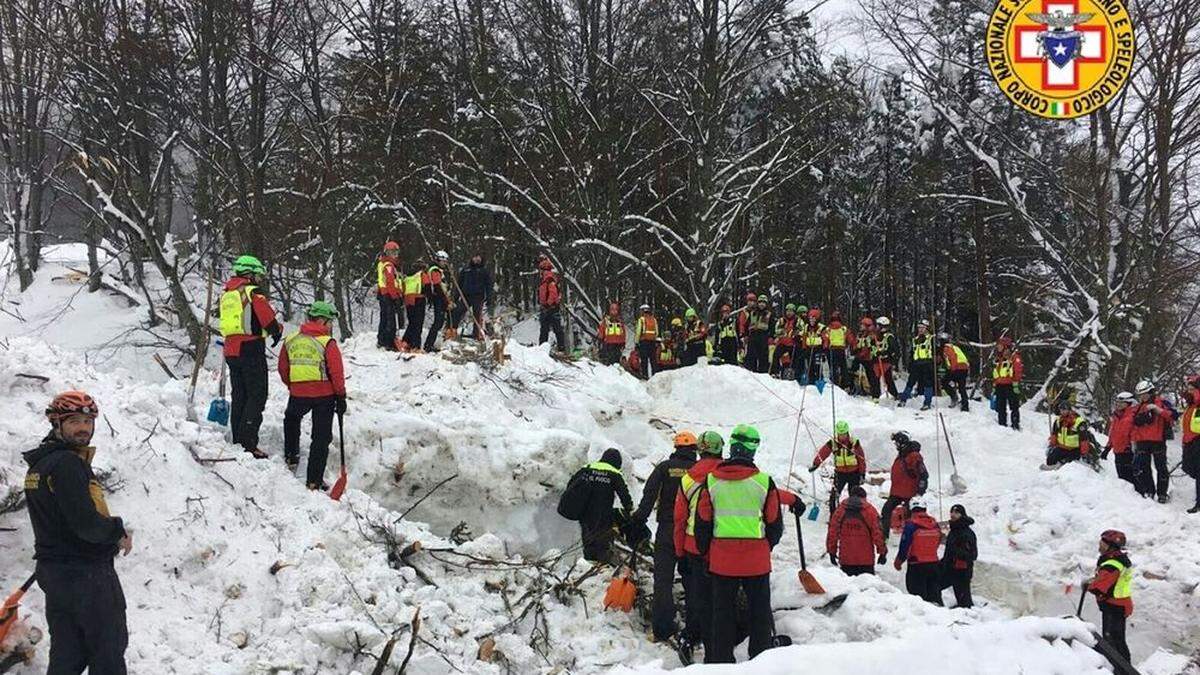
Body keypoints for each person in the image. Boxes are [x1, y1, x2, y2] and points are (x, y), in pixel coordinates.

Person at [24, 391, 132, 674]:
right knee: (107, 651)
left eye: (88, 421)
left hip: (57, 575)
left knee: (68, 655)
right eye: (73, 421)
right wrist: (117, 531)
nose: (83, 428)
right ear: (55, 423)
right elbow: (86, 524)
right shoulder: (67, 464)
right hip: (87, 575)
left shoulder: (40, 466)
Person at [694, 424, 802, 664]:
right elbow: (774, 524)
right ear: (753, 451)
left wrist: (706, 553)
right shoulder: (764, 482)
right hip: (756, 561)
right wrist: (765, 547)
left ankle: (720, 661)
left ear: (731, 448)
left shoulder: (711, 482)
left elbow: (702, 522)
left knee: (722, 614)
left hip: (722, 561)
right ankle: (760, 659)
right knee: (759, 612)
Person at [634, 432, 699, 642]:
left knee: (663, 580)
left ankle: (663, 629)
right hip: (692, 531)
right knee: (693, 580)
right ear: (694, 449)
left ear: (676, 447)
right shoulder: (699, 471)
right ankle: (696, 628)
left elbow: (649, 495)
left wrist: (637, 521)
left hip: (668, 530)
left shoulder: (664, 468)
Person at [278, 301, 348, 490]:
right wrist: (341, 396)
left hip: (298, 393)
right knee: (321, 437)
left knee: (291, 420)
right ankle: (313, 481)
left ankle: (291, 456)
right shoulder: (327, 343)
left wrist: (293, 385)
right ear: (322, 320)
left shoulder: (291, 339)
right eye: (330, 322)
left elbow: (283, 368)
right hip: (324, 396)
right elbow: (336, 372)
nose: (332, 326)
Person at [220, 255, 283, 458]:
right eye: (258, 275)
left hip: (231, 349)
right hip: (250, 348)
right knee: (256, 395)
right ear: (250, 274)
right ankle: (248, 442)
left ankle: (238, 438)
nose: (259, 279)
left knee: (239, 394)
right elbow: (267, 319)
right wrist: (277, 330)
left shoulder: (228, 293)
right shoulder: (251, 292)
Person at [673, 430, 725, 658]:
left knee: (695, 595)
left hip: (694, 546)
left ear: (700, 451)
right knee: (723, 594)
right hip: (724, 546)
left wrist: (679, 552)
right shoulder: (731, 474)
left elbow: (679, 520)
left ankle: (692, 634)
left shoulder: (688, 479)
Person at [557, 448, 634, 563]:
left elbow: (571, 485)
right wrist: (629, 509)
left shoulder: (587, 469)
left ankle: (589, 562)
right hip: (603, 512)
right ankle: (601, 563)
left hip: (585, 511)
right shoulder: (614, 473)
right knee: (603, 539)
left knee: (588, 536)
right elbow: (624, 494)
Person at [1088, 530, 1133, 663]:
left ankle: (1122, 670)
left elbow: (1100, 587)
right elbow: (1106, 580)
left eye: (1102, 543)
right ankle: (1124, 668)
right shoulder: (1116, 559)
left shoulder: (1112, 564)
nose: (1099, 545)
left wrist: (1089, 585)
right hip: (1118, 604)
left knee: (1112, 641)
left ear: (1110, 546)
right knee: (1117, 639)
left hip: (1114, 607)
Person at [809, 420, 867, 516]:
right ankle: (833, 516)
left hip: (854, 473)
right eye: (840, 434)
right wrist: (816, 463)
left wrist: (862, 473)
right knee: (833, 497)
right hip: (840, 474)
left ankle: (854, 516)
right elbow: (823, 452)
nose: (842, 436)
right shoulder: (833, 443)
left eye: (844, 434)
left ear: (847, 432)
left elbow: (861, 458)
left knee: (854, 497)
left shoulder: (854, 442)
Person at [826, 486, 886, 576]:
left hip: (846, 560)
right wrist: (882, 552)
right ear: (863, 497)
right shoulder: (870, 511)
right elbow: (878, 533)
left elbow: (832, 533)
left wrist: (832, 551)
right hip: (866, 561)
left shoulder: (840, 511)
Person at [1131, 380, 1175, 503]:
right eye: (1140, 395)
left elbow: (1173, 415)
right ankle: (1149, 490)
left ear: (1151, 392)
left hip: (1158, 440)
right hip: (1142, 441)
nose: (1142, 397)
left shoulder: (1162, 403)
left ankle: (1162, 493)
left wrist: (1158, 410)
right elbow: (1133, 424)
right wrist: (1134, 440)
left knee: (1161, 467)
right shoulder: (1138, 407)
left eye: (1145, 394)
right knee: (1144, 468)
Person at [893, 498, 942, 605]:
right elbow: (938, 541)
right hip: (934, 564)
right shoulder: (934, 524)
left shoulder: (911, 525)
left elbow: (905, 546)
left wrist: (899, 561)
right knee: (935, 597)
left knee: (919, 601)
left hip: (917, 565)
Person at [879, 432, 927, 541]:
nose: (895, 445)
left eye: (897, 443)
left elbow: (923, 474)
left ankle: (912, 538)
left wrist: (920, 491)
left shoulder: (914, 456)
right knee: (886, 510)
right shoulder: (902, 455)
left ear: (902, 443)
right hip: (897, 492)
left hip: (910, 493)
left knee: (911, 517)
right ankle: (883, 536)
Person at [941, 504, 976, 608]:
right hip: (950, 567)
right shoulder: (954, 530)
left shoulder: (966, 532)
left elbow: (973, 554)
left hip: (962, 570)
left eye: (956, 512)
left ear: (962, 514)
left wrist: (957, 552)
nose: (953, 515)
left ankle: (969, 617)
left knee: (964, 599)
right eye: (952, 512)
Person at [451, 253, 493, 339]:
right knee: (457, 312)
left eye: (479, 258)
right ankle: (452, 331)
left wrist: (489, 298)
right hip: (465, 296)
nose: (477, 259)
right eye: (475, 257)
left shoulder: (484, 271)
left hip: (478, 297)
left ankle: (477, 334)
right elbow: (459, 284)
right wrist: (455, 297)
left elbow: (488, 285)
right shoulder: (466, 270)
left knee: (477, 315)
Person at [1102, 392, 1138, 489]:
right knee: (1122, 480)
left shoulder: (1133, 416)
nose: (1118, 405)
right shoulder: (1116, 416)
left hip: (1129, 452)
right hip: (1118, 452)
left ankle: (1141, 499)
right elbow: (1113, 433)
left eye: (1121, 403)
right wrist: (1107, 448)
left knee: (1133, 480)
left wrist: (1133, 448)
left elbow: (1135, 434)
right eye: (1117, 402)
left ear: (1129, 403)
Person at [1045, 400, 1094, 468]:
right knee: (1050, 460)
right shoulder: (1058, 421)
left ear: (1069, 409)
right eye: (1061, 410)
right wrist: (1052, 445)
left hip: (1074, 449)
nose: (1062, 411)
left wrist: (1084, 453)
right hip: (1062, 447)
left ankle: (1062, 467)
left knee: (1067, 463)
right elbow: (1054, 434)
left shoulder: (1078, 421)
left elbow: (1084, 439)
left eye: (1064, 409)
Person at [422, 251, 454, 352]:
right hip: (438, 298)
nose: (445, 263)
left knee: (439, 322)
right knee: (438, 322)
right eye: (443, 261)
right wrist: (446, 302)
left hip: (439, 298)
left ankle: (431, 343)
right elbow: (438, 287)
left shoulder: (438, 270)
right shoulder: (435, 270)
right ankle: (428, 345)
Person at [900, 320, 935, 410]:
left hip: (927, 363)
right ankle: (903, 399)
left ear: (927, 328)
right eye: (919, 327)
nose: (920, 330)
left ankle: (927, 403)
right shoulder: (915, 339)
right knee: (910, 382)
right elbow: (912, 352)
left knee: (927, 383)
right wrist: (910, 363)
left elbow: (936, 352)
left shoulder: (931, 338)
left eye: (922, 328)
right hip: (916, 364)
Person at [375, 241, 403, 350]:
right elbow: (390, 282)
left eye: (396, 252)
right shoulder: (388, 265)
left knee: (384, 318)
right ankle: (389, 342)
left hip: (383, 294)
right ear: (387, 252)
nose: (395, 254)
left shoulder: (383, 263)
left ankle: (381, 340)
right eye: (392, 252)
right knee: (390, 320)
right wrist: (395, 297)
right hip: (388, 295)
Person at [992, 336, 1023, 430]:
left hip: (1010, 385)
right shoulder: (999, 359)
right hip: (1000, 385)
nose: (998, 347)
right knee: (1000, 406)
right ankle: (1002, 424)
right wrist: (995, 385)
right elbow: (996, 373)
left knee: (1014, 406)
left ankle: (1015, 424)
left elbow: (1018, 371)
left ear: (1005, 346)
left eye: (1000, 345)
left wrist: (1016, 383)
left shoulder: (1014, 357)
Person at [536, 254, 566, 351]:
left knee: (551, 329)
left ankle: (557, 348)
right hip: (548, 308)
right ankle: (545, 348)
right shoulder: (546, 280)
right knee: (550, 329)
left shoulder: (549, 280)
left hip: (551, 309)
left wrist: (548, 305)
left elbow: (553, 294)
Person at [399, 259, 428, 351]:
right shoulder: (422, 275)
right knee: (418, 324)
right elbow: (427, 287)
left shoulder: (407, 276)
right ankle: (415, 345)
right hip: (419, 299)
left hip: (408, 301)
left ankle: (406, 342)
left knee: (412, 323)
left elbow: (402, 288)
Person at [1181, 376, 1200, 514]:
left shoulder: (1197, 404)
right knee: (1187, 467)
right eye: (1188, 389)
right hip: (1189, 441)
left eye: (1192, 389)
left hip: (1197, 440)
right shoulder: (1190, 405)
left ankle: (1199, 503)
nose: (1189, 391)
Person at [938, 333, 970, 411]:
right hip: (964, 368)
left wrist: (952, 369)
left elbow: (953, 358)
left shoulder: (947, 348)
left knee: (944, 382)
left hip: (957, 368)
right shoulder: (954, 347)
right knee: (962, 387)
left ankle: (954, 396)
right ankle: (965, 405)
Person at [874, 316, 901, 400]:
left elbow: (894, 350)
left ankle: (894, 394)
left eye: (878, 325)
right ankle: (875, 396)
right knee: (875, 379)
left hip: (885, 361)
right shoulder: (876, 336)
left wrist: (884, 353)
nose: (877, 327)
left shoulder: (889, 337)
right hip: (876, 361)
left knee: (888, 379)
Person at [797, 308, 828, 385]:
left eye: (814, 318)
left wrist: (825, 349)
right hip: (808, 349)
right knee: (810, 366)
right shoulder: (806, 327)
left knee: (817, 366)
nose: (812, 321)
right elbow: (803, 337)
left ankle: (818, 380)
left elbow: (826, 339)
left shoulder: (822, 327)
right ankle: (811, 381)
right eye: (810, 318)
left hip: (818, 349)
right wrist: (802, 346)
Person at [851, 316, 879, 397]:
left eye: (862, 325)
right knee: (852, 371)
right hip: (859, 356)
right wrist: (855, 349)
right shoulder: (860, 334)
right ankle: (852, 387)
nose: (861, 326)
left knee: (871, 376)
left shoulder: (871, 336)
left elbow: (868, 348)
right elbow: (856, 343)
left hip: (868, 358)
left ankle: (874, 392)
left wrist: (860, 352)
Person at [744, 296, 772, 374]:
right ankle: (750, 372)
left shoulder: (769, 314)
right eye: (760, 302)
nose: (762, 304)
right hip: (753, 335)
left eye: (763, 303)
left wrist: (771, 337)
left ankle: (763, 373)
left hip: (763, 335)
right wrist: (745, 335)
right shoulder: (753, 313)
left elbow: (772, 326)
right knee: (751, 355)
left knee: (763, 356)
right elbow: (746, 325)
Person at [826, 311, 853, 389]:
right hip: (841, 349)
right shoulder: (843, 328)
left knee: (833, 367)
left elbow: (826, 339)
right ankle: (845, 384)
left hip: (832, 349)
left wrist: (825, 348)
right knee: (843, 367)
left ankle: (834, 383)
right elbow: (850, 339)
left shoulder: (828, 328)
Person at [772, 304, 799, 376]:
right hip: (782, 342)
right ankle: (775, 371)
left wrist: (797, 334)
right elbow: (776, 330)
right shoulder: (781, 320)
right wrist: (782, 331)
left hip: (792, 343)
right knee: (776, 355)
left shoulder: (798, 320)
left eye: (791, 311)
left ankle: (793, 373)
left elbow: (803, 329)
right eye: (787, 311)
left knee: (793, 359)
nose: (789, 313)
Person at [635, 305, 659, 378]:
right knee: (653, 360)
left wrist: (636, 342)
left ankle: (645, 375)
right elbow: (657, 332)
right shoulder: (654, 320)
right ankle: (654, 375)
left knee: (644, 359)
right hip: (652, 342)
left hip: (644, 342)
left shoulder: (641, 319)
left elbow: (638, 331)